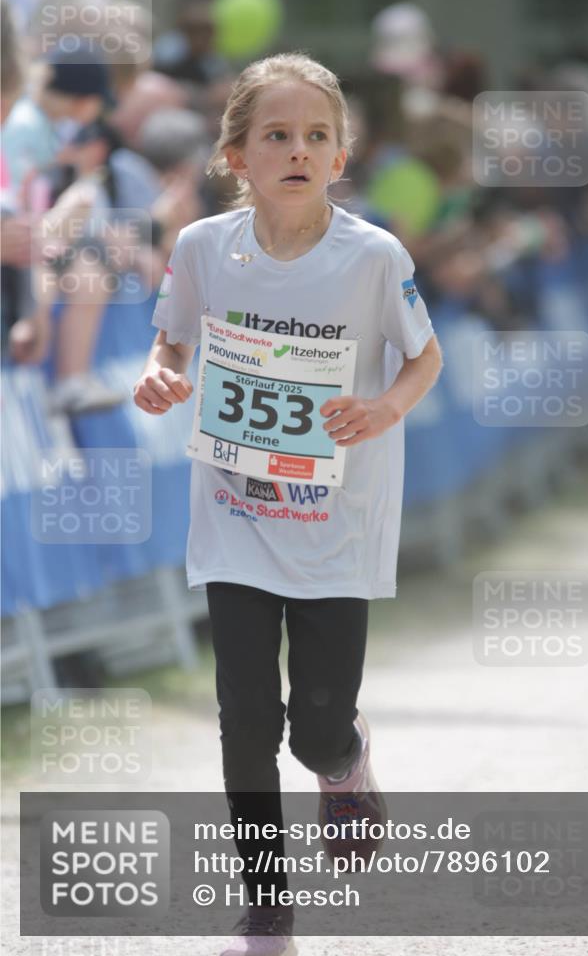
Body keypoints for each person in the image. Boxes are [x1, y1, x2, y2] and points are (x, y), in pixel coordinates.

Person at [133, 52, 442, 956]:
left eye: (317, 137)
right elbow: (171, 347)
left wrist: (385, 405)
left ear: (341, 159)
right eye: (277, 135)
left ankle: (343, 761)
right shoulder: (200, 249)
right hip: (234, 520)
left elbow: (423, 358)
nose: (298, 150)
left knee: (311, 725)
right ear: (237, 155)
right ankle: (265, 909)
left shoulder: (375, 257)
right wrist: (160, 377)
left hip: (335, 526)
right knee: (245, 720)